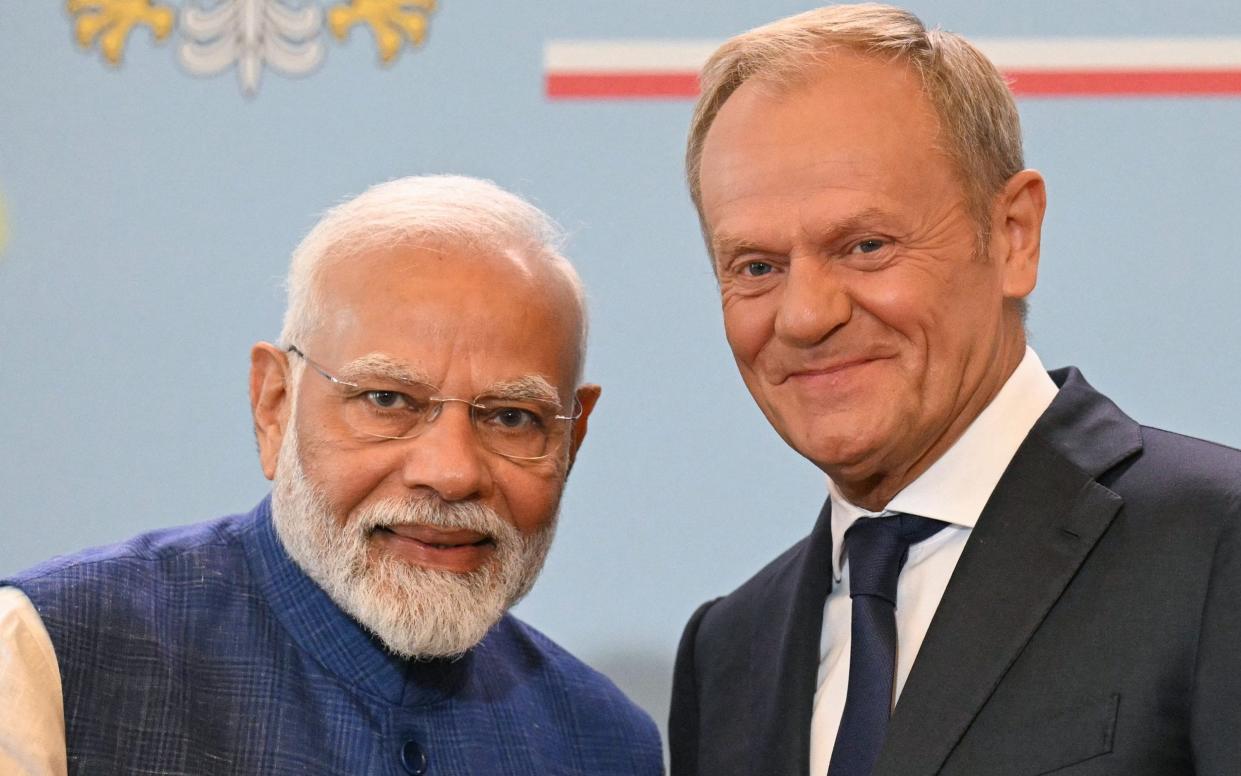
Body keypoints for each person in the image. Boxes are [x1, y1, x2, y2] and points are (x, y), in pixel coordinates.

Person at [668, 5, 1241, 776]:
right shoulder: (728, 651)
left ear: (1012, 235)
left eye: (865, 246)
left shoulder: (1214, 544)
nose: (804, 316)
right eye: (756, 267)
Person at [0, 175, 663, 775]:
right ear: (274, 405)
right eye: (388, 400)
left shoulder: (603, 742)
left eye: (512, 418)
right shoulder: (50, 658)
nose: (452, 472)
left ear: (571, 439)